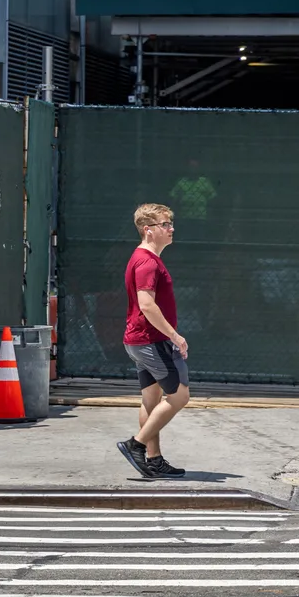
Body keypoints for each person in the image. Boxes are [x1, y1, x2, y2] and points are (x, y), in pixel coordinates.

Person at [117, 203, 189, 479]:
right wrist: (174, 335)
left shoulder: (144, 258)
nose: (171, 229)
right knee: (180, 395)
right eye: (165, 224)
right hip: (150, 341)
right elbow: (147, 304)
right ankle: (135, 445)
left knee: (151, 400)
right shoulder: (147, 262)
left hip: (140, 341)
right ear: (148, 230)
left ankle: (154, 459)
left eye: (171, 223)